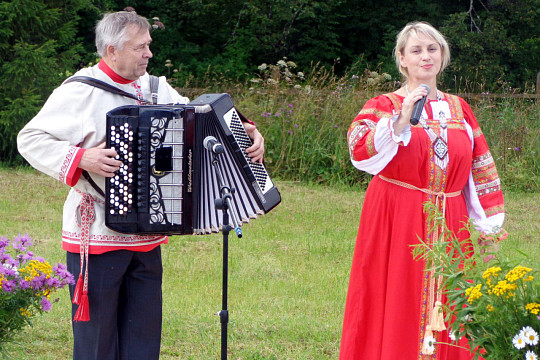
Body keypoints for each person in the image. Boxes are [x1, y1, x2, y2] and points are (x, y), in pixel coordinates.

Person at [17, 10, 264, 360]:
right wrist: (80, 158)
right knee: (97, 341)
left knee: (143, 336)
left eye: (149, 45)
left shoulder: (154, 86)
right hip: (98, 233)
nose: (149, 53)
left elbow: (198, 120)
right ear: (112, 50)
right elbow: (29, 139)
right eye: (140, 47)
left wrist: (246, 131)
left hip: (148, 234)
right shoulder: (79, 91)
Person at [340, 21, 506, 360]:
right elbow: (359, 150)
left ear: (442, 57)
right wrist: (399, 120)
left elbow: (481, 170)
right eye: (416, 50)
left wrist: (488, 228)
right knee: (398, 295)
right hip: (396, 217)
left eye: (432, 49)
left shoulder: (461, 109)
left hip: (451, 219)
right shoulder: (384, 104)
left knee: (455, 297)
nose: (425, 56)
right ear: (402, 59)